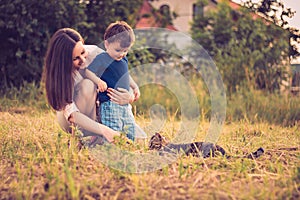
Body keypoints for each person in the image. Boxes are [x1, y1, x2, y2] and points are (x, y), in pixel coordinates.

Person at [43, 28, 133, 144]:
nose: (83, 60)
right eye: (75, 58)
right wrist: (106, 131)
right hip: (72, 120)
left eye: (82, 52)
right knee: (88, 84)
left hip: (97, 113)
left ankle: (95, 137)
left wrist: (129, 95)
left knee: (133, 136)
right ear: (64, 61)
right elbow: (72, 115)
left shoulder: (95, 53)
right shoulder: (60, 75)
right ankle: (80, 137)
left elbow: (120, 74)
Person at [87, 21, 140, 141]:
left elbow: (127, 75)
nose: (121, 54)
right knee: (114, 130)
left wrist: (135, 86)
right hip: (109, 104)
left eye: (125, 51)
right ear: (107, 44)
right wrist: (98, 81)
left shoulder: (123, 60)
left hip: (125, 106)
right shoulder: (102, 58)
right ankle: (110, 149)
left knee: (130, 131)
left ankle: (128, 149)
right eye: (118, 50)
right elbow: (88, 72)